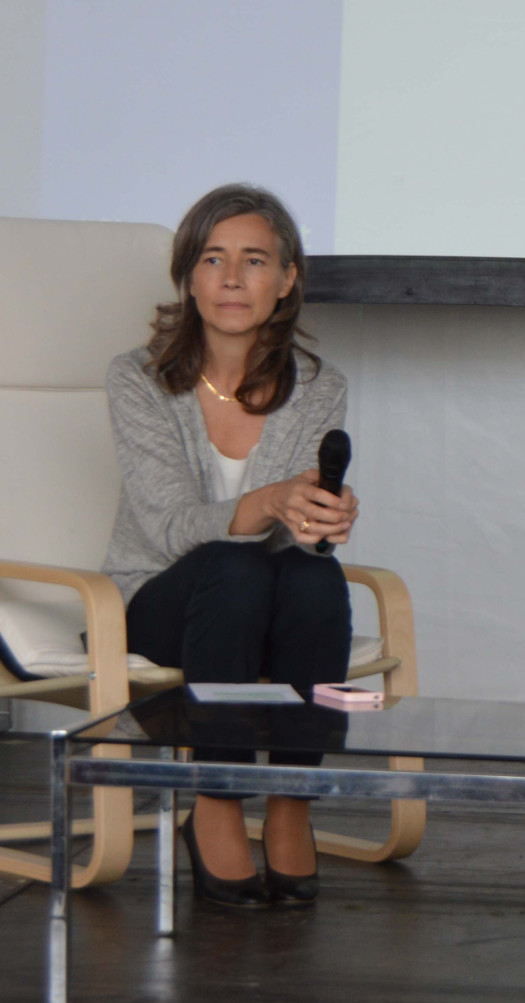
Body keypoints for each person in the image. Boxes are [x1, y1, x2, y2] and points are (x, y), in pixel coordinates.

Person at [102, 184, 358, 908]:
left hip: (261, 597)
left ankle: (289, 801)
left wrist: (319, 520)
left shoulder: (317, 387)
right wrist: (272, 501)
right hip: (155, 602)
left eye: (255, 260)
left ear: (287, 280)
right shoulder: (139, 378)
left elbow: (294, 547)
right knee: (233, 561)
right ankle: (215, 800)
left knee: (315, 579)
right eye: (214, 259)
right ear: (189, 278)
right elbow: (170, 530)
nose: (234, 278)